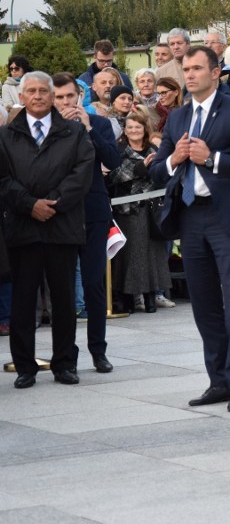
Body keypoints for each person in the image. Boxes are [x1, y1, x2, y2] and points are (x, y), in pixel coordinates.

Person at [149, 46, 230, 412]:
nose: (190, 74)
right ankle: (217, 380)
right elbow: (156, 171)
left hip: (227, 218)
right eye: (186, 68)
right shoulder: (178, 117)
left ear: (216, 72)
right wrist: (175, 158)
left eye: (198, 68)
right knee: (204, 305)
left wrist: (212, 159)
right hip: (191, 217)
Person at [0, 71, 95, 389]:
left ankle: (65, 363)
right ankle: (25, 366)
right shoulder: (6, 136)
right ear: (22, 97)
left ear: (53, 96)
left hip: (62, 226)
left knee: (64, 300)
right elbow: (3, 180)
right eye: (32, 91)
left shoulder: (74, 132)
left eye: (44, 91)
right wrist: (30, 205)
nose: (38, 96)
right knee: (23, 301)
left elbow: (82, 173)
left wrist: (51, 203)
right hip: (23, 229)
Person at [53, 71, 121, 372]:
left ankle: (98, 350)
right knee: (64, 287)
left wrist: (89, 127)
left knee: (94, 284)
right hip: (61, 214)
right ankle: (66, 355)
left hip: (94, 211)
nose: (66, 102)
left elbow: (113, 160)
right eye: (60, 98)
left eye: (70, 96)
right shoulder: (47, 128)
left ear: (79, 96)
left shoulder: (101, 124)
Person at [107, 111, 172, 314]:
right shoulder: (117, 149)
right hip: (127, 209)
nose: (134, 130)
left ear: (145, 129)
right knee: (131, 256)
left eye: (138, 127)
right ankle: (128, 299)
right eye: (130, 127)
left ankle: (152, 297)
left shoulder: (153, 148)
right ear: (125, 130)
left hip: (153, 208)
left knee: (154, 253)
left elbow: (163, 174)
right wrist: (141, 167)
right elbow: (114, 176)